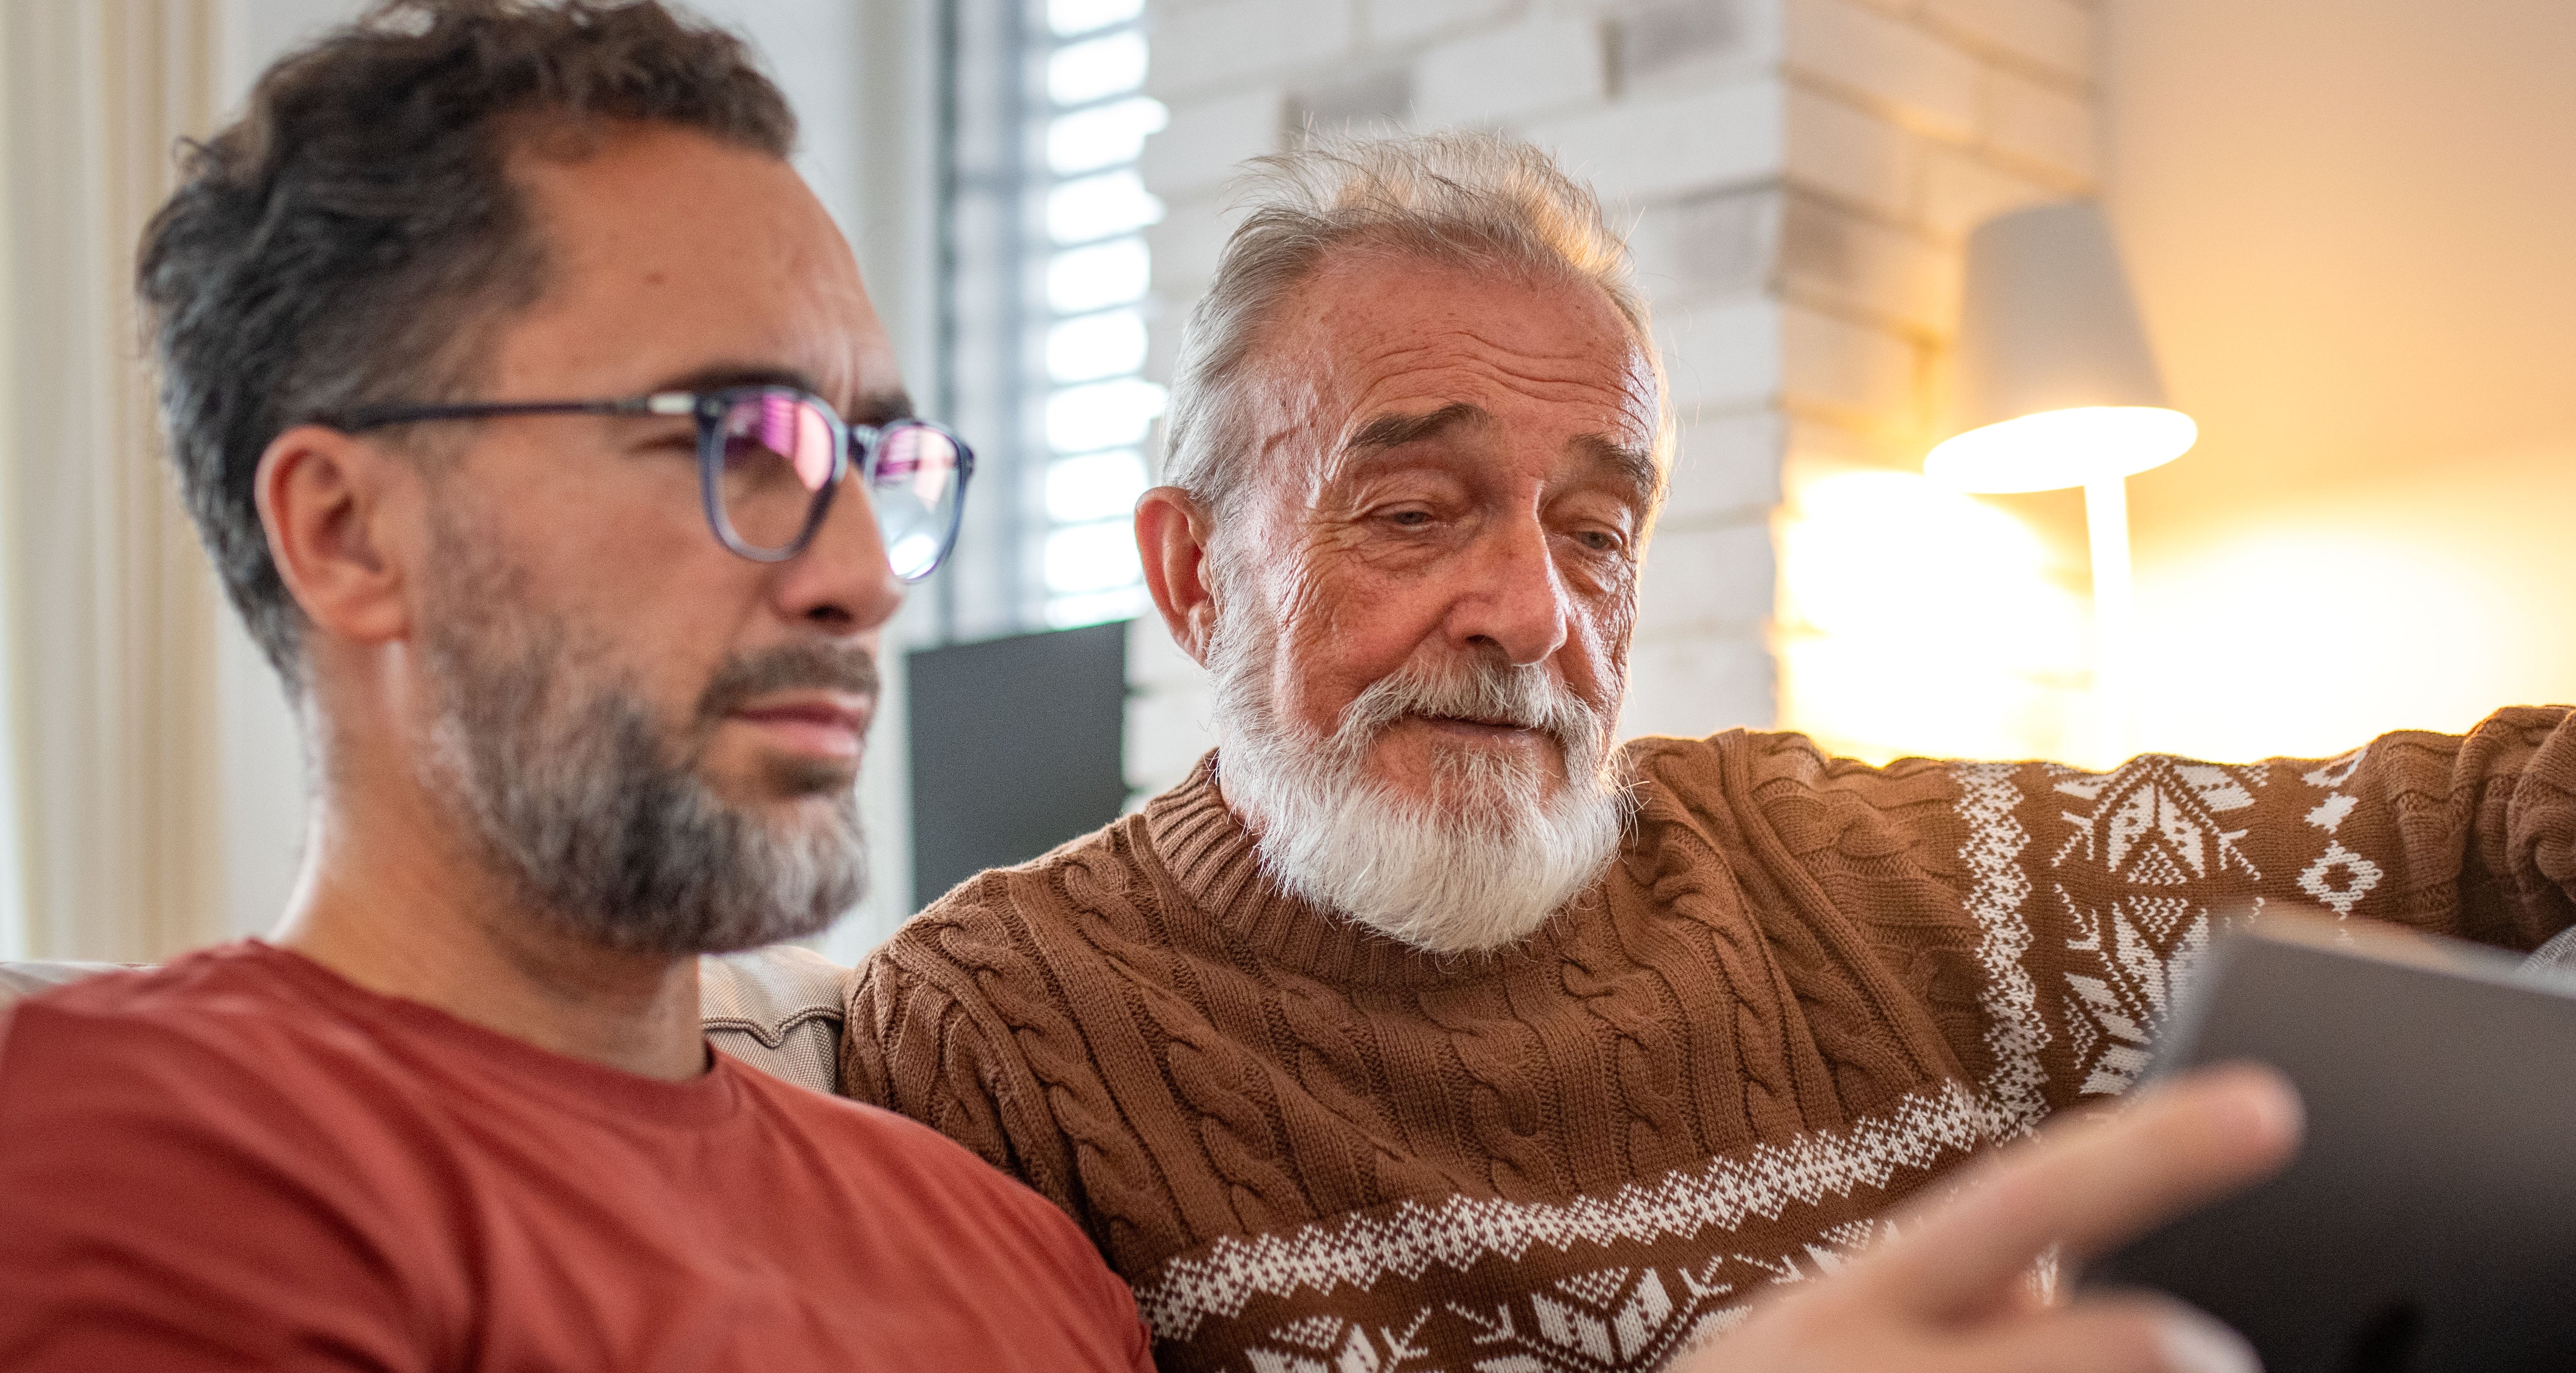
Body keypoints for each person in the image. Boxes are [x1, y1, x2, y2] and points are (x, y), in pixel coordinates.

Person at [845, 131, 2576, 1372]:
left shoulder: (1835, 864)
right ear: (1190, 570)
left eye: (1596, 532)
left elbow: (2455, 827)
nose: (1529, 610)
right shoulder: (997, 1023)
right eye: (1409, 509)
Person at [0, 3, 1149, 1368]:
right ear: (348, 533)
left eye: (869, 459)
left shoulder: (1013, 1251)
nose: (863, 576)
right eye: (733, 438)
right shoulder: (153, 1151)